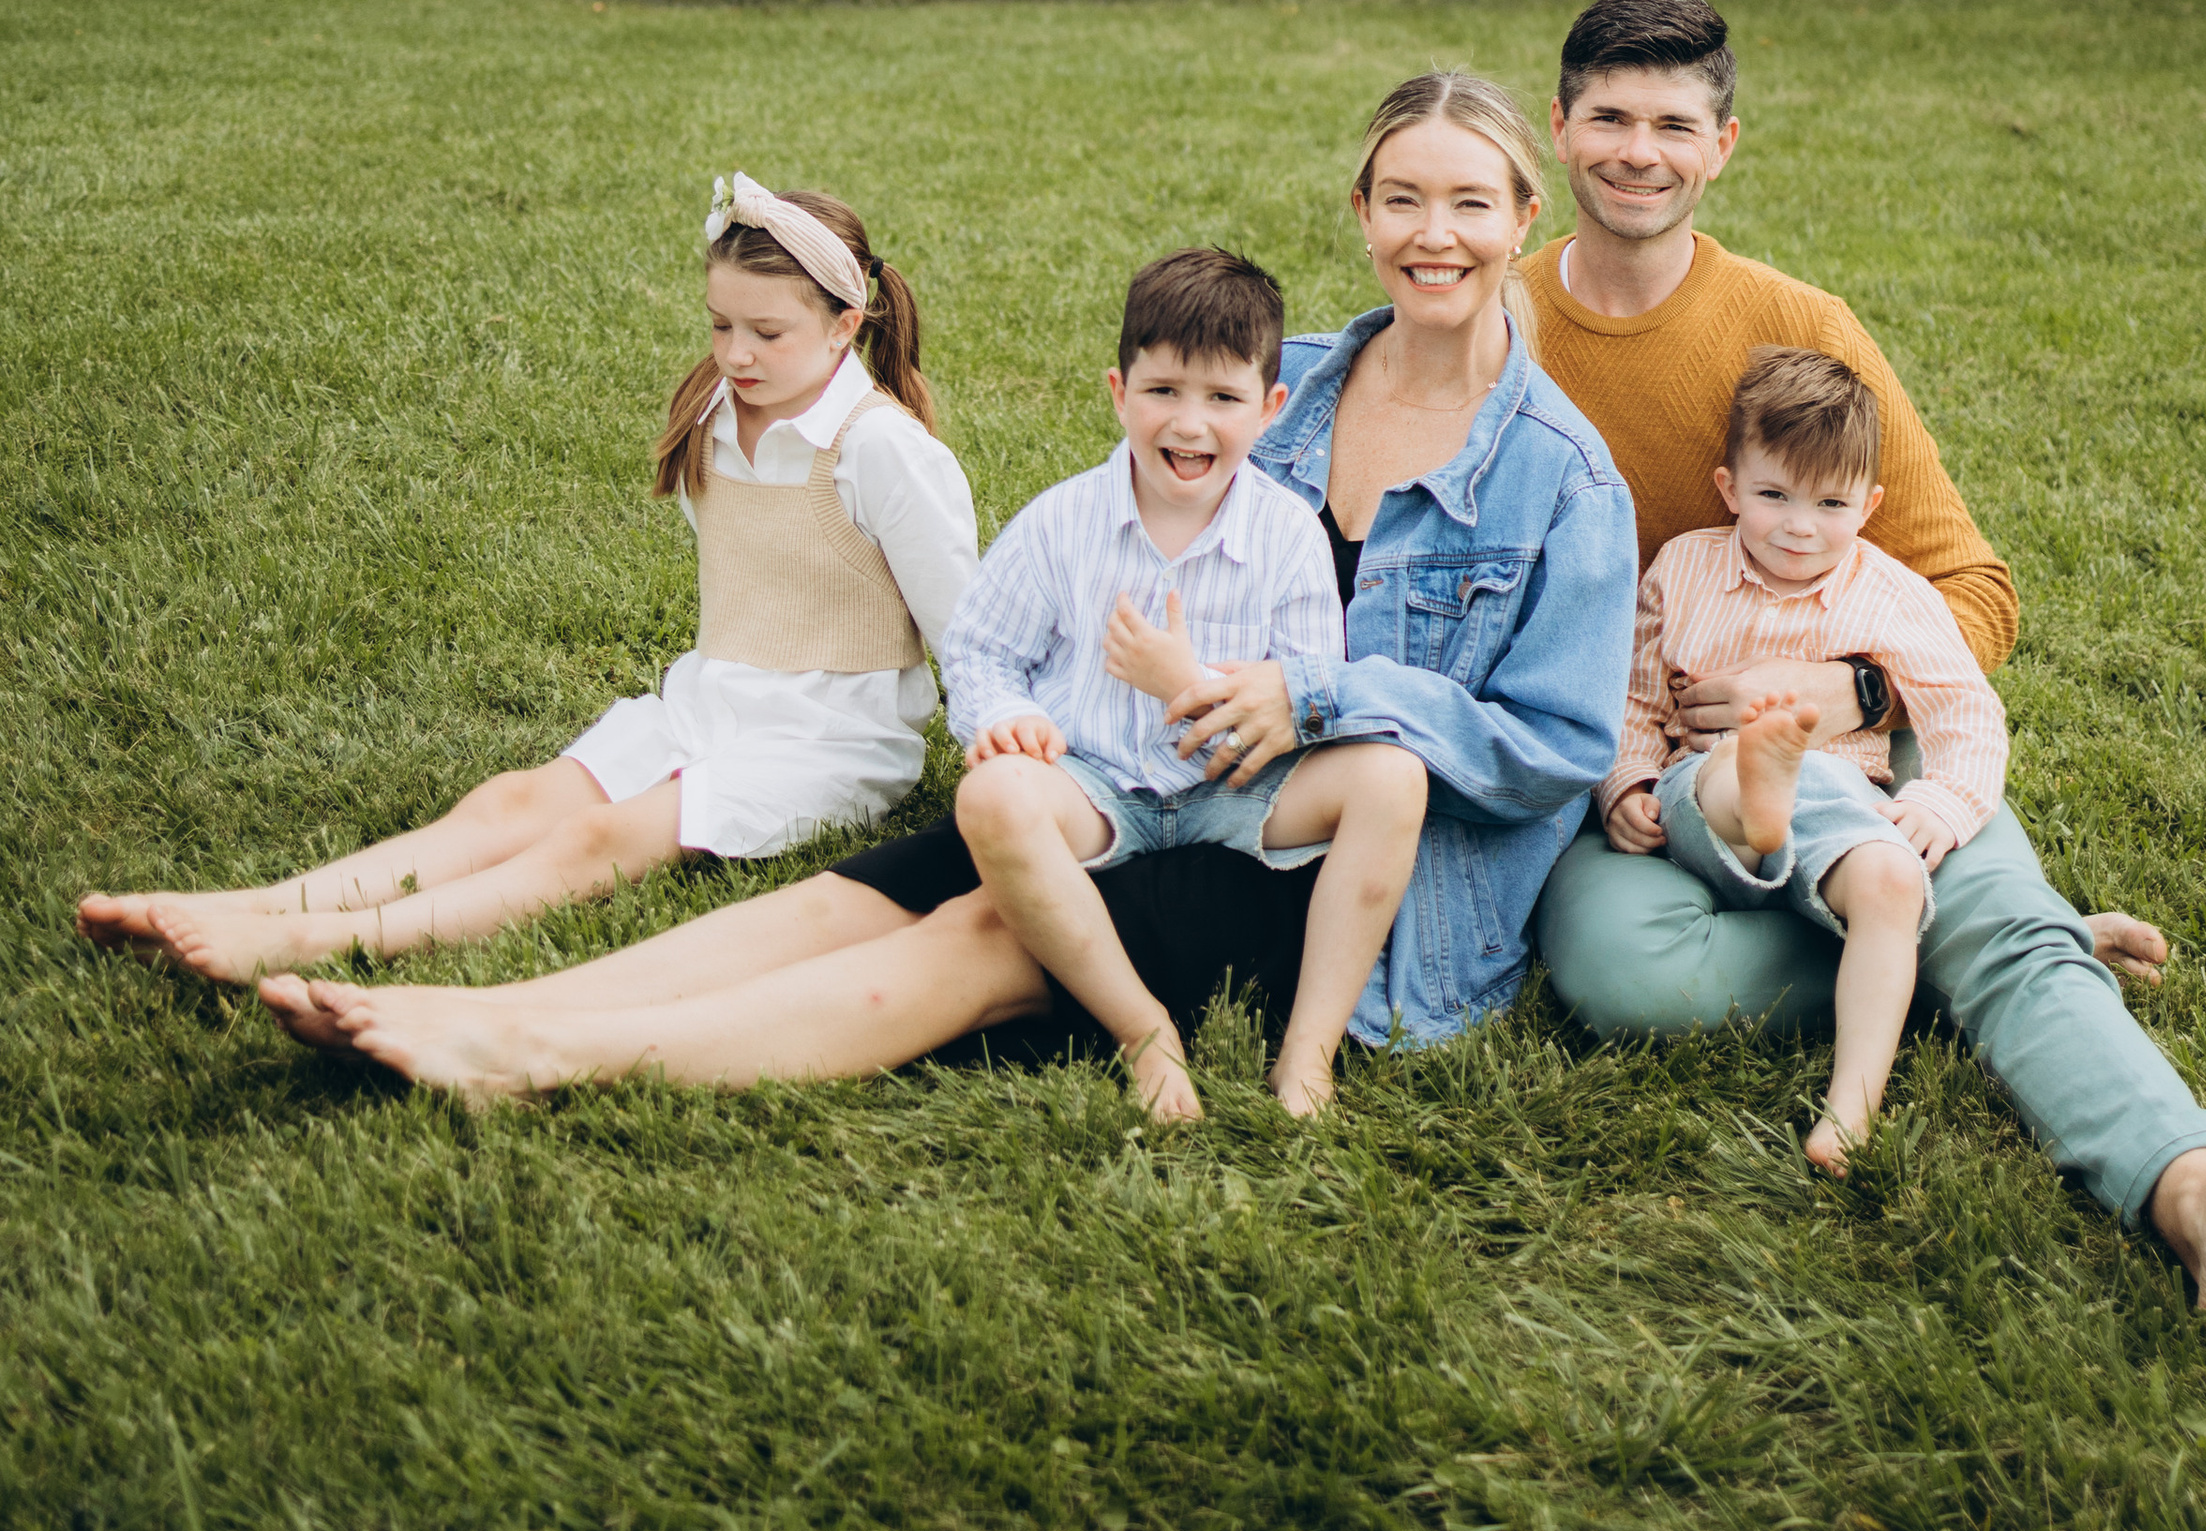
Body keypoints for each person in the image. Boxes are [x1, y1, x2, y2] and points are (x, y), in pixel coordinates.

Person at [255, 70, 1637, 1104]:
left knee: (985, 929)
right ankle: (501, 994)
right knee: (878, 885)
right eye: (1404, 197)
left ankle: (544, 1051)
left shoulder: (1563, 481)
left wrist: (1320, 694)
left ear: (1526, 218)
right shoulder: (1284, 382)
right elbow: (1115, 538)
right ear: (1363, 209)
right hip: (1139, 775)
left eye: (1470, 201)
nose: (1433, 232)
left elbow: (1558, 751)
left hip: (1323, 863)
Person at [1527, 0, 2206, 1331]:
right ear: (1559, 129)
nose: (1640, 151)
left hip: (1859, 746)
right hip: (1650, 764)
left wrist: (1846, 687)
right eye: (1611, 117)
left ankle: (2198, 1197)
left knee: (1969, 903)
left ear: (1723, 146)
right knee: (1623, 978)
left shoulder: (1799, 324)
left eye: (1674, 124)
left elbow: (1972, 585)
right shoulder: (1495, 326)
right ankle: (1973, 944)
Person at [83, 174, 976, 985]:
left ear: (845, 326)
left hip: (829, 741)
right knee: (515, 801)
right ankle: (257, 903)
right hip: (708, 702)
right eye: (720, 324)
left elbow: (963, 632)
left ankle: (320, 943)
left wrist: (997, 759)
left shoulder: (883, 453)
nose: (736, 354)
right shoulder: (713, 412)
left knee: (597, 838)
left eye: (766, 333)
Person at [945, 246, 1428, 1122]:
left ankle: (1309, 1051)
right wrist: (1008, 718)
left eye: (1222, 398)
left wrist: (1184, 681)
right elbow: (979, 648)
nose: (1190, 424)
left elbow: (1311, 693)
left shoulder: (1286, 535)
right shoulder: (1061, 523)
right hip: (1095, 782)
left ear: (1272, 410)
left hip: (1239, 789)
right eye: (1163, 391)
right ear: (1118, 390)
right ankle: (1142, 1031)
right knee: (991, 800)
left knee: (1394, 779)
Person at [1605, 345, 2009, 1173]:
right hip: (1700, 789)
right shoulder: (1683, 568)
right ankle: (1758, 787)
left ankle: (1851, 1113)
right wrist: (1628, 779)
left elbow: (1966, 708)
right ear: (1729, 489)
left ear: (1870, 504)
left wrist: (1943, 804)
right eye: (1773, 495)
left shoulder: (1894, 595)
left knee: (1894, 881)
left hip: (1842, 804)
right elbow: (1638, 697)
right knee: (1726, 770)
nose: (1799, 525)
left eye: (1830, 503)